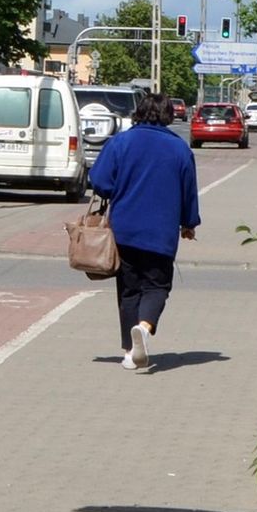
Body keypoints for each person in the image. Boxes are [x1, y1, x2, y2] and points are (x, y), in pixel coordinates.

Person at [88, 92, 200, 372]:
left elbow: (100, 181)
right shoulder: (179, 149)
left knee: (128, 290)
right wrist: (189, 223)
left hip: (124, 228)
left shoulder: (121, 142)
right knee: (158, 285)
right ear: (168, 116)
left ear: (138, 113)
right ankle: (144, 326)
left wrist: (119, 189)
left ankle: (129, 352)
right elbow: (188, 191)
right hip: (161, 231)